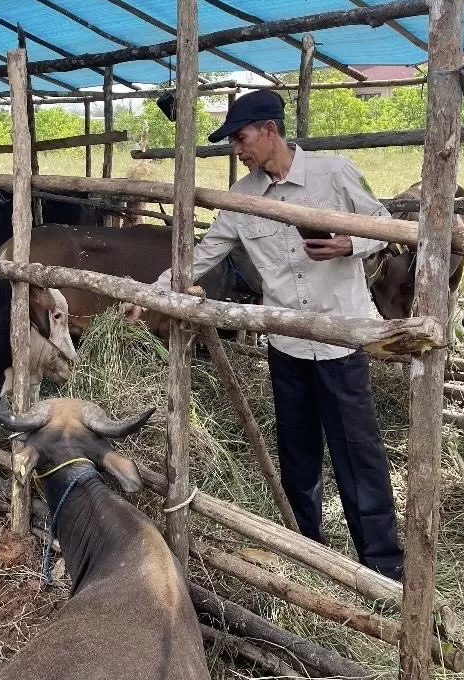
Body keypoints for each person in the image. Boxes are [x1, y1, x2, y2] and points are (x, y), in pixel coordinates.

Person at [123, 89, 404, 580]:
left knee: (358, 455)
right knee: (297, 454)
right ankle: (308, 551)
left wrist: (348, 243)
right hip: (286, 344)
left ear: (270, 130)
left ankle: (382, 567)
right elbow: (202, 254)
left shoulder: (332, 174)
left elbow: (387, 226)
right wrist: (154, 290)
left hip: (339, 342)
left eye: (242, 136)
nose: (237, 148)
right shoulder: (242, 199)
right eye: (234, 140)